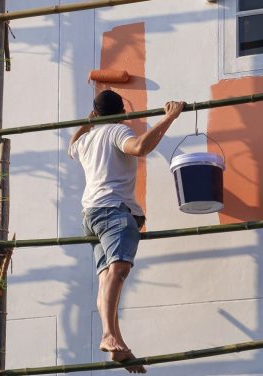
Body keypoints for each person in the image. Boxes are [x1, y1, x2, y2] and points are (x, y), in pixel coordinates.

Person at [69, 90, 185, 372]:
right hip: (113, 211)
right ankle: (109, 335)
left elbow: (71, 145)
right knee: (119, 269)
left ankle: (116, 339)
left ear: (96, 113)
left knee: (108, 275)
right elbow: (140, 147)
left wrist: (87, 122)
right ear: (122, 112)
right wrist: (170, 117)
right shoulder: (117, 131)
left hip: (91, 216)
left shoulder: (86, 139)